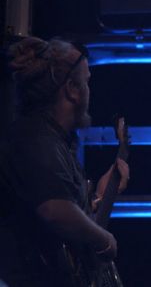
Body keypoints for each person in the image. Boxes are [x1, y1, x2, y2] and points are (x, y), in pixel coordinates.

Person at [0, 37, 130, 286]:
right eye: (87, 82)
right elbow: (55, 210)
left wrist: (101, 196)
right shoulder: (35, 138)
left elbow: (64, 213)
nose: (90, 91)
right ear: (72, 88)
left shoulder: (54, 140)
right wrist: (104, 239)